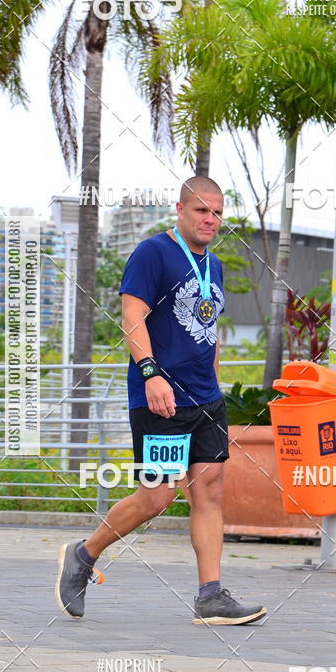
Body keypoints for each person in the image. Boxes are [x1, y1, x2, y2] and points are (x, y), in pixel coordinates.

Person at [55, 176, 267, 626]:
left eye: (217, 213)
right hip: (161, 399)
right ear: (180, 209)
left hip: (205, 399)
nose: (211, 220)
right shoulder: (153, 252)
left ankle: (211, 596)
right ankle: (83, 554)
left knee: (210, 491)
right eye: (202, 210)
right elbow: (132, 315)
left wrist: (214, 385)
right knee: (157, 496)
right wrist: (151, 374)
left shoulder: (214, 265)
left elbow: (208, 330)